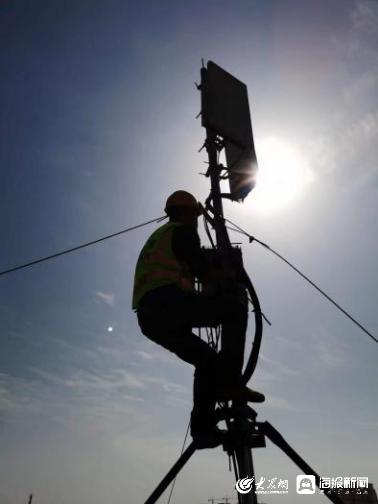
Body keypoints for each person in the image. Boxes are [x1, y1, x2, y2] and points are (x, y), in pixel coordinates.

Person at [132, 190, 264, 448]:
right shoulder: (181, 231)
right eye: (194, 215)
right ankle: (231, 383)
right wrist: (226, 279)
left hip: (150, 318)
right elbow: (201, 269)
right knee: (235, 303)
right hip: (166, 302)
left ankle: (203, 430)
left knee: (207, 361)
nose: (195, 220)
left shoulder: (159, 237)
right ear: (187, 213)